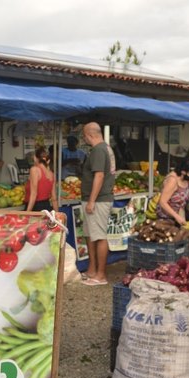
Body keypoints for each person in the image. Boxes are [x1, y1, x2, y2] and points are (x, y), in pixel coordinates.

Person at [80, 122, 113, 286]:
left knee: (99, 236)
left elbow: (99, 176)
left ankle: (101, 275)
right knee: (90, 234)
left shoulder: (99, 150)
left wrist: (92, 200)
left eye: (84, 135)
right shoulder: (105, 148)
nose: (84, 138)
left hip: (98, 200)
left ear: (89, 135)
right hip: (94, 199)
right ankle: (92, 269)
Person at [157, 159, 189, 226]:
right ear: (183, 172)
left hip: (180, 214)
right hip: (168, 218)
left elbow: (178, 193)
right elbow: (162, 202)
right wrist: (177, 217)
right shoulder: (172, 180)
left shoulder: (184, 178)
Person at [25, 146, 59, 212]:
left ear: (35, 158)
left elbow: (33, 194)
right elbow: (54, 198)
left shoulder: (34, 170)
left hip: (35, 207)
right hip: (47, 207)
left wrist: (27, 213)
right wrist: (57, 215)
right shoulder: (52, 174)